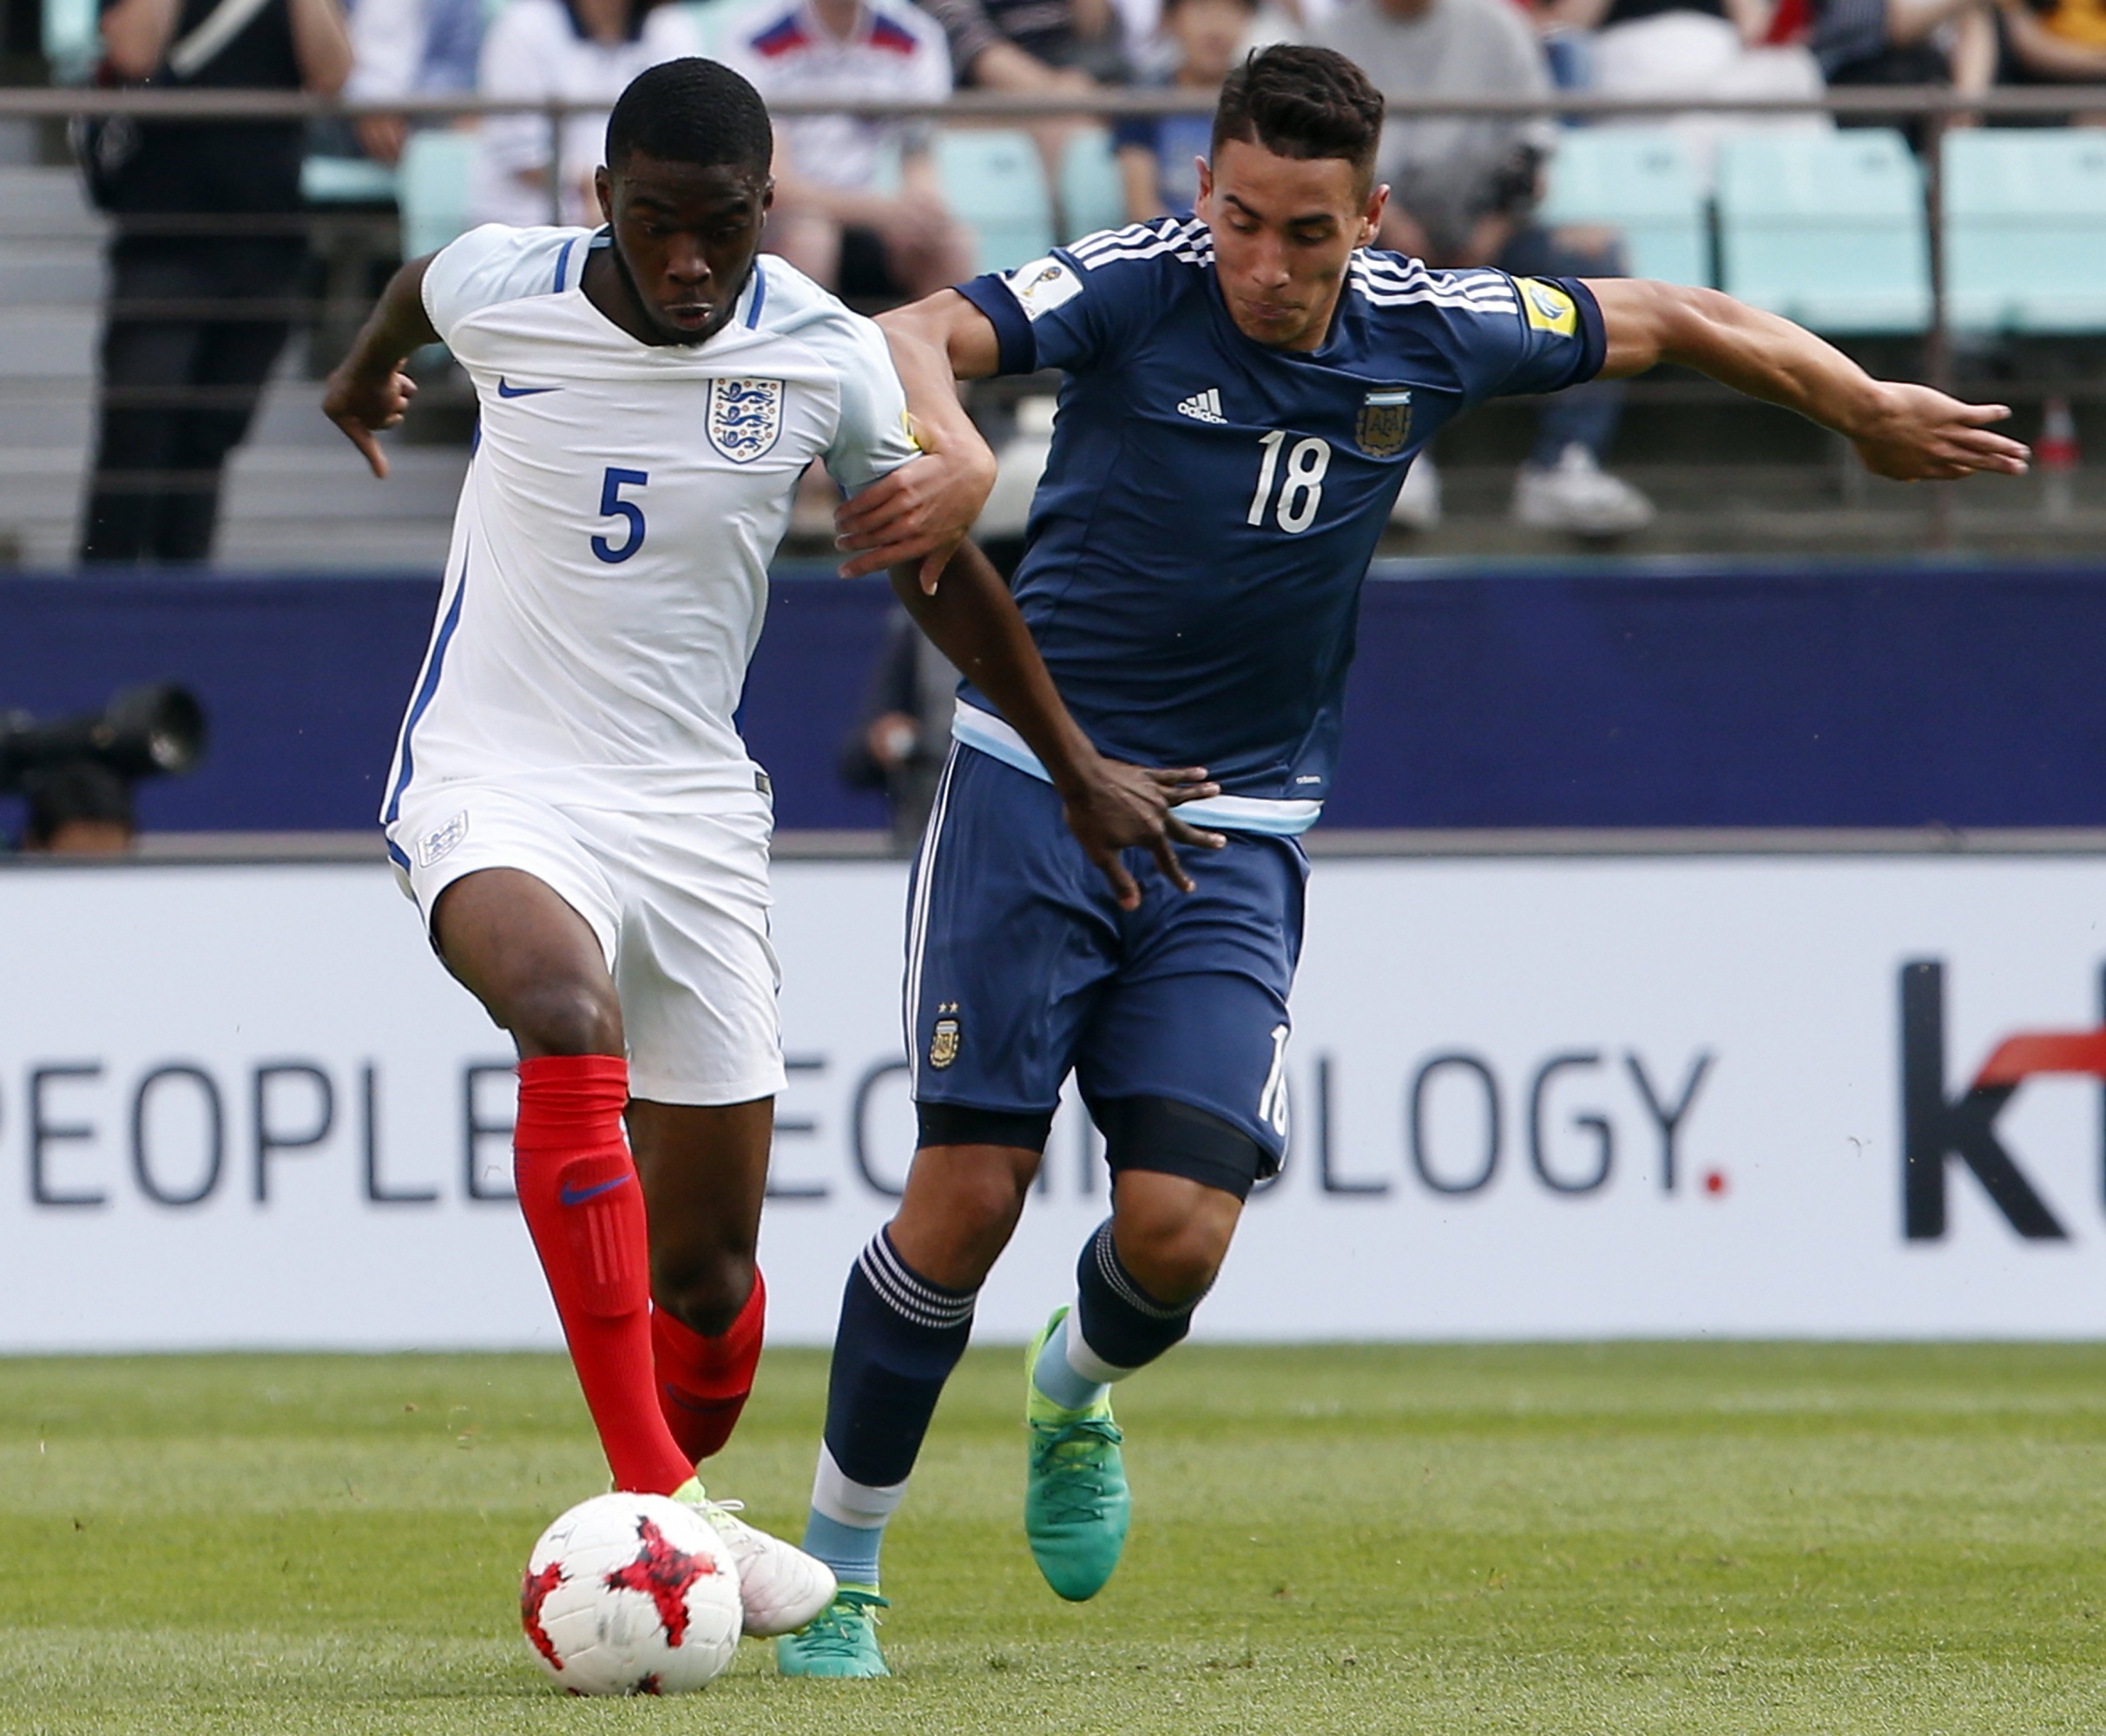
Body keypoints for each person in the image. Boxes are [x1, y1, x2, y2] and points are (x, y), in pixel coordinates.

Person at [780, 42, 2029, 1676]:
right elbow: (906, 331)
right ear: (1206, 196)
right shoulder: (1140, 284)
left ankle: (1071, 1388)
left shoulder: (1429, 323)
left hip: (1239, 826)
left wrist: (1858, 404)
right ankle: (841, 1579)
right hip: (1039, 784)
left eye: (1308, 233)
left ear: (1368, 217)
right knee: (966, 1195)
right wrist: (941, 436)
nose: (1268, 267)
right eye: (1240, 221)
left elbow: (1668, 315)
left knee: (1177, 1237)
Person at [321, 54, 1203, 1643]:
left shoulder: (820, 347)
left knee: (711, 1285)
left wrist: (1077, 765)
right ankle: (664, 1497)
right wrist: (363, 374)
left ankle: (679, 1469)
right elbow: (410, 288)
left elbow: (932, 575)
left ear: (765, 204)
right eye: (655, 224)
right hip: (496, 777)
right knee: (561, 1015)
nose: (685, 264)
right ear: (600, 200)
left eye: (718, 228)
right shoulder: (505, 288)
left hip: (693, 818)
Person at [1316, 0, 1655, 534]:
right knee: (1345, 271)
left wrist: (1488, 232)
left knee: (1595, 261)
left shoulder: (1497, 26)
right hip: (1371, 235)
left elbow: (1533, 146)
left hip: (1489, 230)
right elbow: (1321, 160)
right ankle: (1393, 460)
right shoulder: (1330, 35)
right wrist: (1388, 225)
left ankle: (1564, 464)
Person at [79, 0, 352, 564]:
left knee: (211, 435)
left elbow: (333, 75)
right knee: (138, 426)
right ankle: (104, 592)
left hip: (267, 243)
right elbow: (133, 55)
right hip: (162, 241)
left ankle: (186, 588)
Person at [717, 0, 972, 301]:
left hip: (870, 214)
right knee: (811, 240)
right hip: (784, 217)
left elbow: (919, 154)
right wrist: (880, 212)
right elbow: (773, 182)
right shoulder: (755, 36)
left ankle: (933, 346)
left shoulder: (915, 34)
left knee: (951, 242)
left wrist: (921, 210)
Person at [470, 0, 704, 227]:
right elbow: (520, 152)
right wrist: (604, 193)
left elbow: (683, 137)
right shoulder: (524, 25)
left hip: (631, 219)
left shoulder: (669, 26)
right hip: (525, 230)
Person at [1114, 0, 1258, 220]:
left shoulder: (1259, 101)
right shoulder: (1145, 101)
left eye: (1230, 10)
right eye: (1202, 9)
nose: (1216, 28)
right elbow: (1140, 205)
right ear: (1171, 19)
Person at [344, 0, 485, 166]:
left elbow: (457, 68)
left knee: (473, 128)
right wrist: (366, 101)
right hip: (340, 108)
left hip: (422, 113)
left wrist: (398, 107)